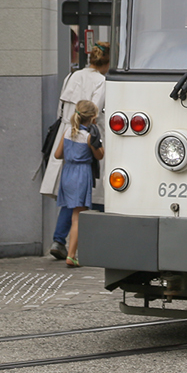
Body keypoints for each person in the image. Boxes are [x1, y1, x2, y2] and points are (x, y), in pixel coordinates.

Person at [41, 43, 110, 260]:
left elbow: (61, 111)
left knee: (70, 200)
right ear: (108, 62)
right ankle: (89, 244)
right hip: (88, 142)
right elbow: (95, 113)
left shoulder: (72, 76)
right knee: (93, 197)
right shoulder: (102, 81)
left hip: (67, 135)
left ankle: (59, 240)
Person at [54, 99, 104, 267]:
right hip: (81, 174)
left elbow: (57, 154)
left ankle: (69, 250)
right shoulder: (88, 136)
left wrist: (71, 153)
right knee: (77, 216)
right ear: (93, 118)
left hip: (67, 173)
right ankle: (71, 255)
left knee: (70, 210)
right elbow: (100, 155)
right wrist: (97, 139)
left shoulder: (68, 132)